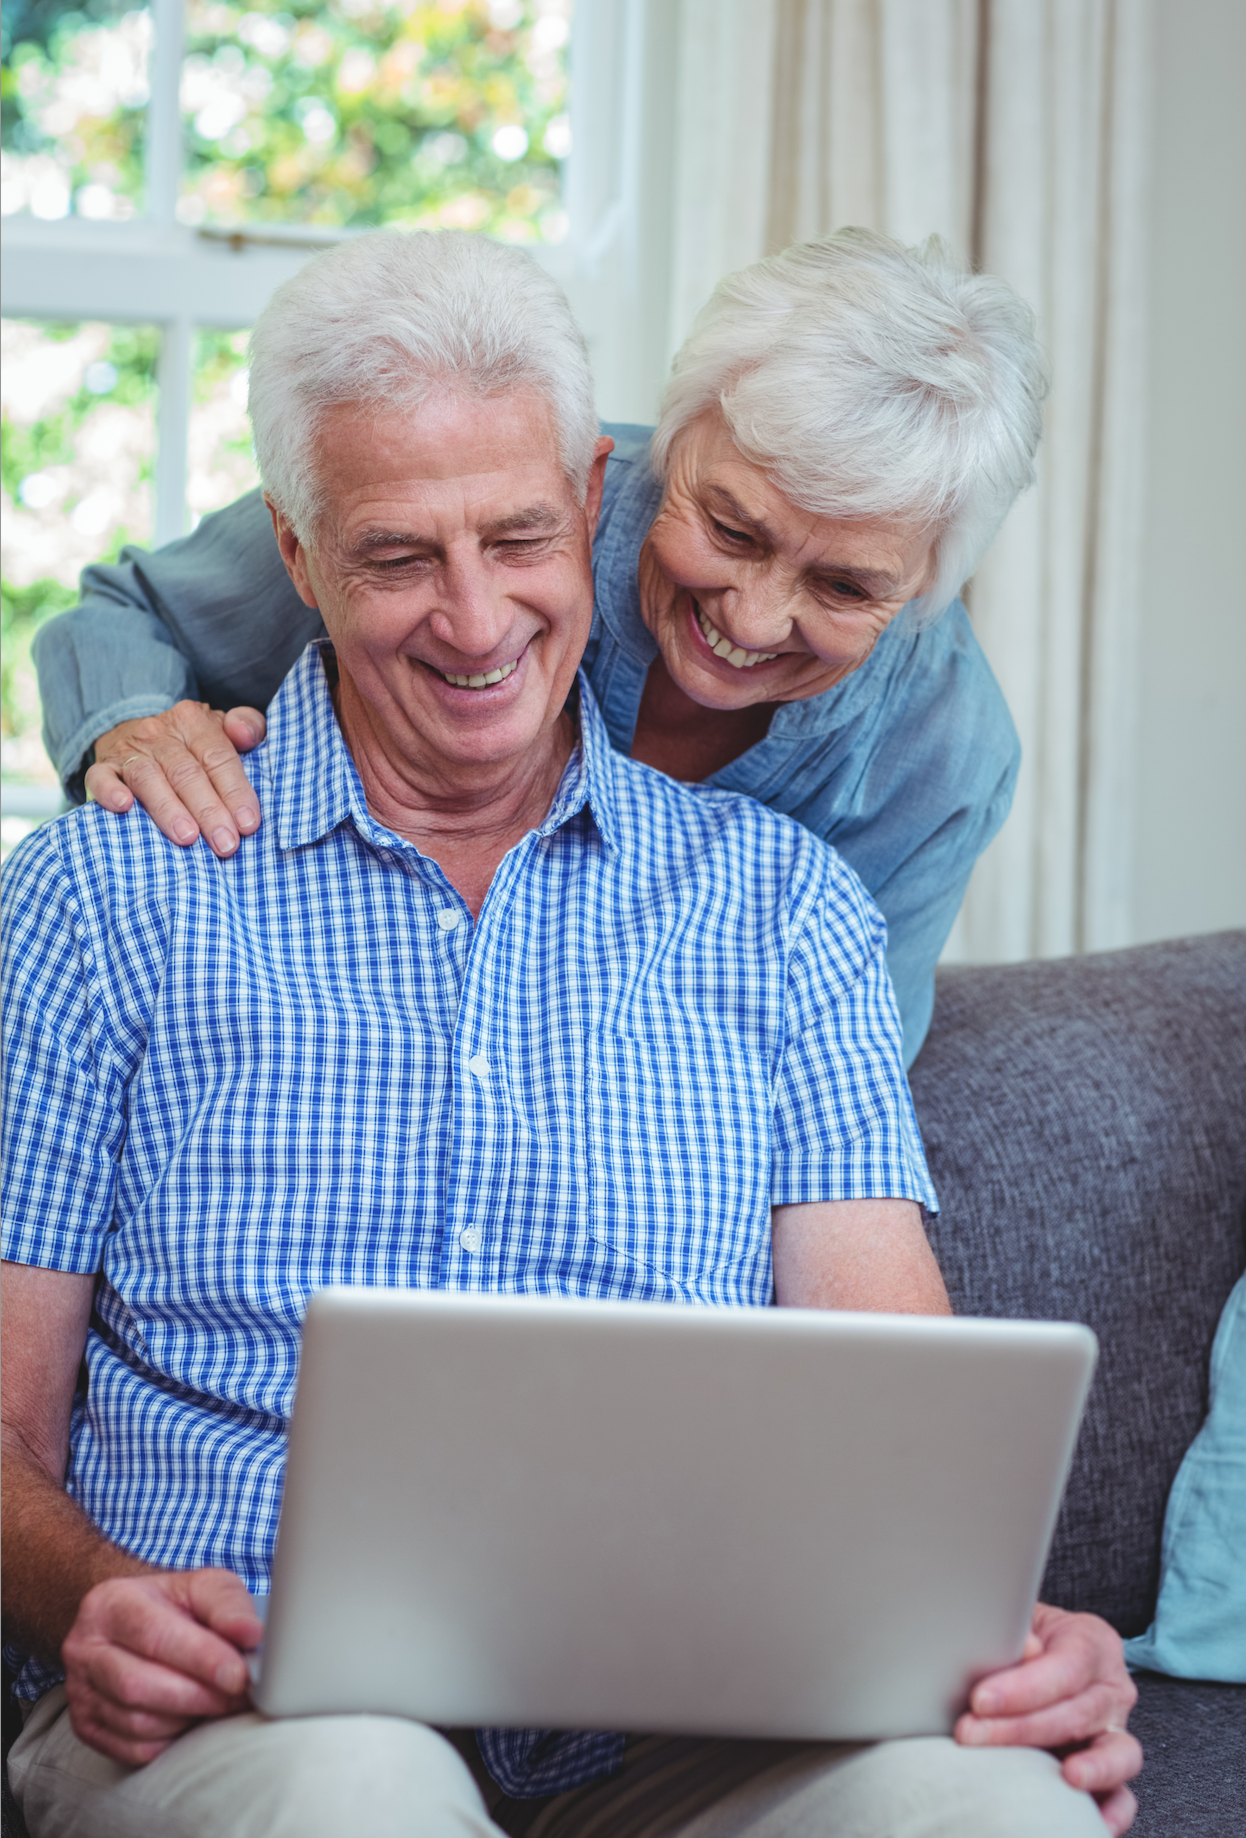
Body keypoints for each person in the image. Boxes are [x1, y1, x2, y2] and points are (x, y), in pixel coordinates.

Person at [2, 231, 1139, 1838]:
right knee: (360, 1785)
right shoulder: (106, 894)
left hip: (677, 1727)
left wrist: (1001, 1647)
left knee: (993, 1807)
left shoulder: (808, 895)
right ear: (303, 557)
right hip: (256, 1710)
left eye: (518, 540)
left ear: (582, 509)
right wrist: (93, 1600)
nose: (474, 621)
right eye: (398, 556)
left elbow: (889, 1398)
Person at [32, 227, 1044, 1066]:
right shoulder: (492, 493)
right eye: (731, 531)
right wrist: (134, 729)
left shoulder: (943, 750)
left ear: (924, 585)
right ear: (650, 457)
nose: (751, 619)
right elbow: (124, 615)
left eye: (844, 585)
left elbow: (833, 1078)